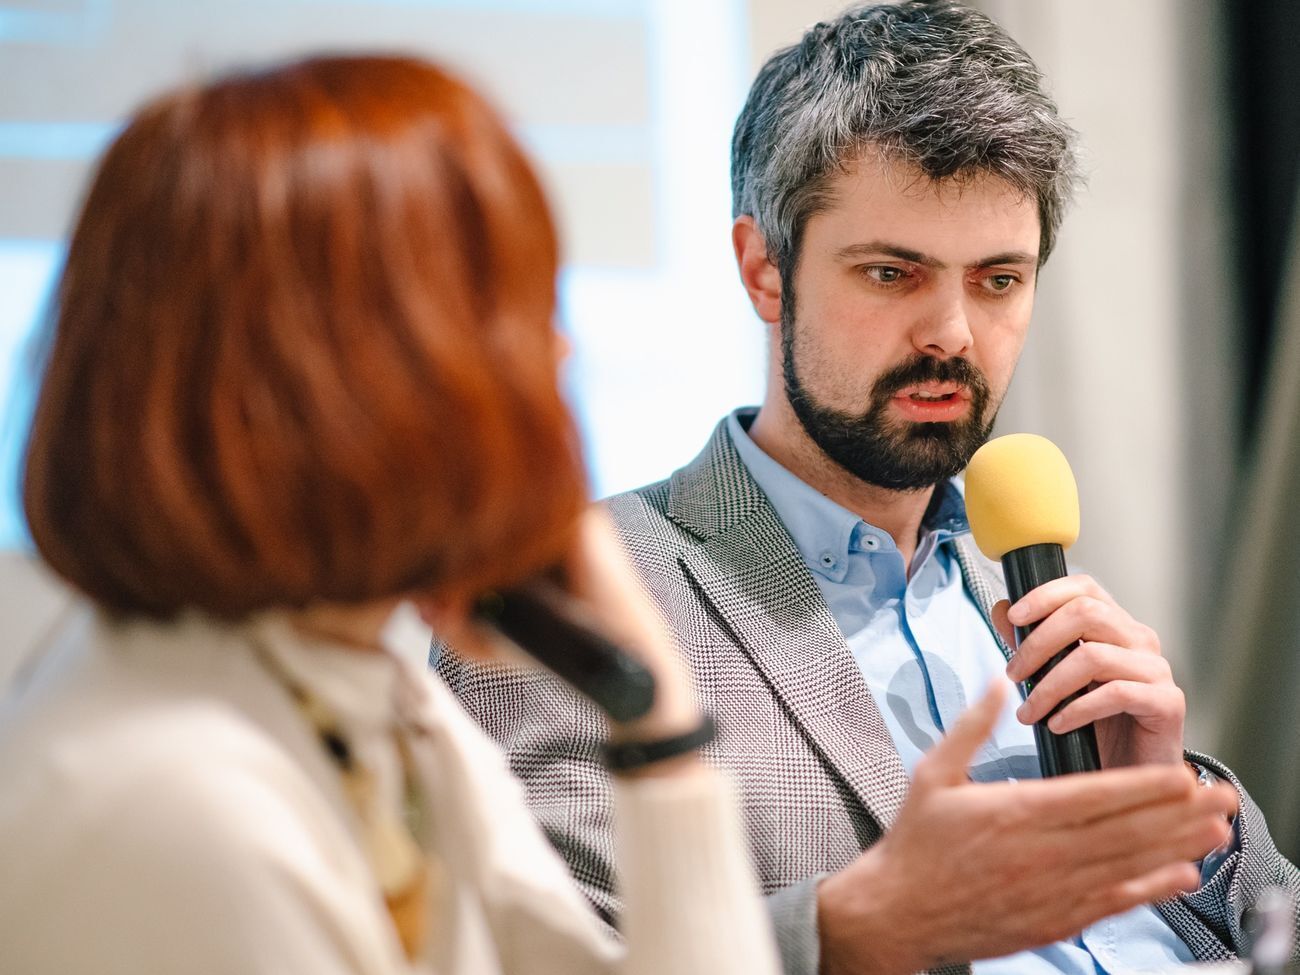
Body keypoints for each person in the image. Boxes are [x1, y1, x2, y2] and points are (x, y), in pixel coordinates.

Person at [436, 3, 1300, 975]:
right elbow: (554, 959)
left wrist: (1184, 817)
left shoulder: (1027, 579)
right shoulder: (581, 594)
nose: (953, 334)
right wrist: (859, 924)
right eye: (893, 273)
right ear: (764, 271)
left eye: (999, 280)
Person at [0, 55, 782, 975]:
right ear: (335, 385)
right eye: (513, 312)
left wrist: (657, 718)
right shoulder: (177, 803)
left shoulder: (369, 688)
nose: (557, 351)